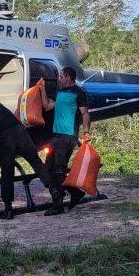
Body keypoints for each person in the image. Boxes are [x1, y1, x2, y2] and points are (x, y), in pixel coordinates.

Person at [0, 93, 58, 220]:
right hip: (21, 133)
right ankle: (54, 192)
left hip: (7, 138)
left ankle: (8, 209)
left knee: (7, 172)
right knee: (36, 163)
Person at [42, 66, 91, 216]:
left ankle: (57, 205)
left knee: (58, 169)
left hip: (68, 136)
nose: (60, 79)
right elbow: (47, 106)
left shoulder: (79, 93)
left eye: (62, 76)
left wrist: (86, 133)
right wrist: (42, 89)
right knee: (47, 169)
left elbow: (85, 114)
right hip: (56, 136)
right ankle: (75, 192)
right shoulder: (60, 93)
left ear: (68, 77)